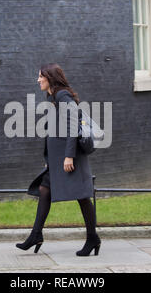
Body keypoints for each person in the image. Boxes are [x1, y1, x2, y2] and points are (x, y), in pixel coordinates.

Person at [16, 63, 101, 257]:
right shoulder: (53, 96)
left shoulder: (63, 96)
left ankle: (92, 238)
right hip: (58, 158)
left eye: (40, 76)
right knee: (45, 189)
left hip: (70, 157)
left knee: (82, 195)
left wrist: (69, 156)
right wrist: (50, 159)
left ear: (50, 78)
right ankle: (36, 234)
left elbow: (72, 126)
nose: (37, 80)